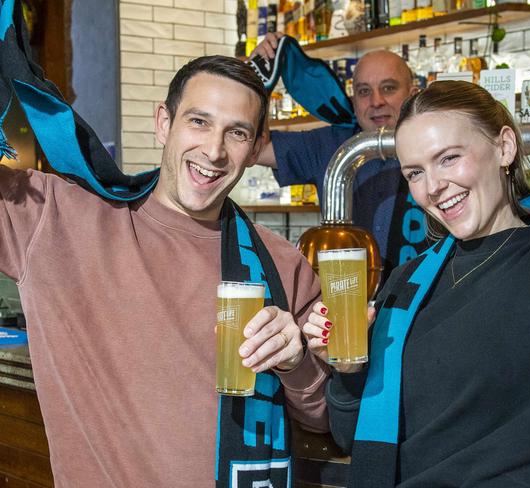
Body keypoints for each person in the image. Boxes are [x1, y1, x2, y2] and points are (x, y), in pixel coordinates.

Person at [302, 2, 530, 486]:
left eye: (449, 158)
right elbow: (350, 433)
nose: (434, 186)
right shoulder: (406, 285)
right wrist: (347, 366)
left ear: (504, 147)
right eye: (415, 172)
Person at [0, 54, 329, 486]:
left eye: (237, 133)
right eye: (199, 122)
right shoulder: (51, 216)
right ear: (163, 123)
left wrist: (296, 364)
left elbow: (325, 418)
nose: (214, 150)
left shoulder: (281, 264)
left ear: (253, 149)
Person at [252, 34, 426, 281]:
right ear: (353, 99)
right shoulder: (330, 143)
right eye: (364, 91)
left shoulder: (435, 142)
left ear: (413, 93)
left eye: (388, 88)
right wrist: (257, 85)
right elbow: (255, 146)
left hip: (422, 302)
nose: (376, 101)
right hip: (346, 303)